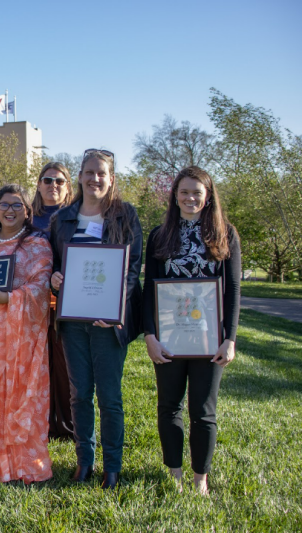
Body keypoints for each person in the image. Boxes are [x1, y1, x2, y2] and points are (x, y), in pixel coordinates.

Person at [143, 166, 241, 495]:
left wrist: (230, 339)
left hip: (209, 337)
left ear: (208, 196)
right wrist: (150, 335)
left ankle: (200, 477)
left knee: (203, 409)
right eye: (183, 192)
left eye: (197, 193)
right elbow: (148, 290)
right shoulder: (159, 235)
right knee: (169, 405)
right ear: (174, 195)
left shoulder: (225, 233)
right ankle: (174, 474)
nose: (189, 198)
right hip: (169, 336)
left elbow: (234, 291)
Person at [49, 149, 143, 490]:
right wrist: (53, 278)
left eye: (101, 173)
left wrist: (114, 308)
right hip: (72, 322)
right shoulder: (63, 219)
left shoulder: (126, 215)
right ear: (80, 176)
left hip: (108, 324)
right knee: (79, 393)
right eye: (89, 172)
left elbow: (131, 271)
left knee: (109, 395)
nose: (95, 179)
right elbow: (53, 262)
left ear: (111, 178)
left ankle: (112, 466)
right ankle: (84, 461)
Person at [0, 184, 53, 484]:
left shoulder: (37, 242)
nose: (10, 210)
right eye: (4, 204)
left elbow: (42, 286)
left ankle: (23, 462)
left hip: (21, 333)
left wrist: (9, 299)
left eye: (17, 205)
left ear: (27, 211)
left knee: (18, 393)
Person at [32, 162, 75, 440]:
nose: (53, 185)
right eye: (47, 180)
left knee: (65, 365)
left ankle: (68, 424)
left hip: (66, 302)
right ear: (38, 185)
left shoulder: (75, 217)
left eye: (59, 181)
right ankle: (43, 421)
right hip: (32, 302)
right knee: (36, 365)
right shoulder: (27, 217)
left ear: (68, 186)